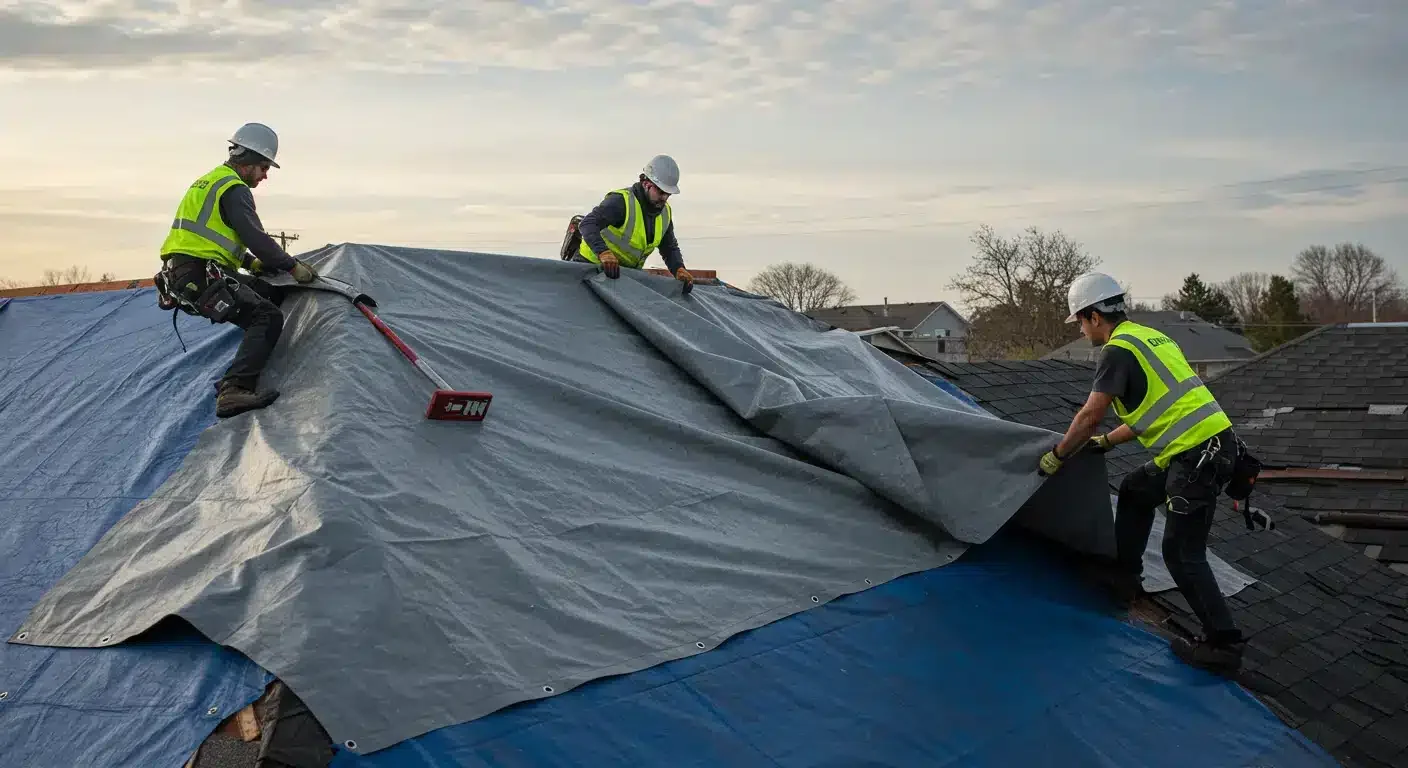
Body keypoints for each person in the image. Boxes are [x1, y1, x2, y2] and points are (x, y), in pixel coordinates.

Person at [1038, 271, 1245, 674]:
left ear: (1095, 316)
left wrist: (1059, 455)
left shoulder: (1117, 351)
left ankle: (1223, 645)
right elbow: (1152, 410)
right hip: (1206, 446)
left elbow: (1090, 414)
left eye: (1081, 321)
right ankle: (1124, 578)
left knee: (1181, 554)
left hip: (1197, 456)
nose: (1081, 331)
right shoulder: (1152, 338)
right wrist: (1107, 443)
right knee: (1134, 489)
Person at [155, 122, 317, 419]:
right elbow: (256, 238)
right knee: (266, 316)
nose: (265, 175)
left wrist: (251, 265)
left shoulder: (209, 181)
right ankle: (235, 388)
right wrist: (293, 268)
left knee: (269, 292)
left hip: (188, 272)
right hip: (201, 274)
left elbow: (212, 237)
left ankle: (253, 362)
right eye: (264, 167)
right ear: (250, 162)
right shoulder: (234, 188)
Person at [572, 155, 693, 288]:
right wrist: (603, 252)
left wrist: (679, 269)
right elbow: (587, 224)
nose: (664, 198)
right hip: (590, 268)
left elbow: (669, 247)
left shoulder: (665, 213)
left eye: (668, 194)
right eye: (660, 192)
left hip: (621, 276)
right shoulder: (621, 202)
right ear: (646, 184)